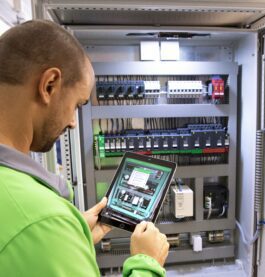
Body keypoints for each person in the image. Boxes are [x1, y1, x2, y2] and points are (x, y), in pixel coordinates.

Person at [0, 20, 169, 276]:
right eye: (77, 105)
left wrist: (71, 236)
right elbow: (36, 231)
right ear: (49, 85)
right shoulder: (42, 221)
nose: (72, 123)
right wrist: (147, 263)